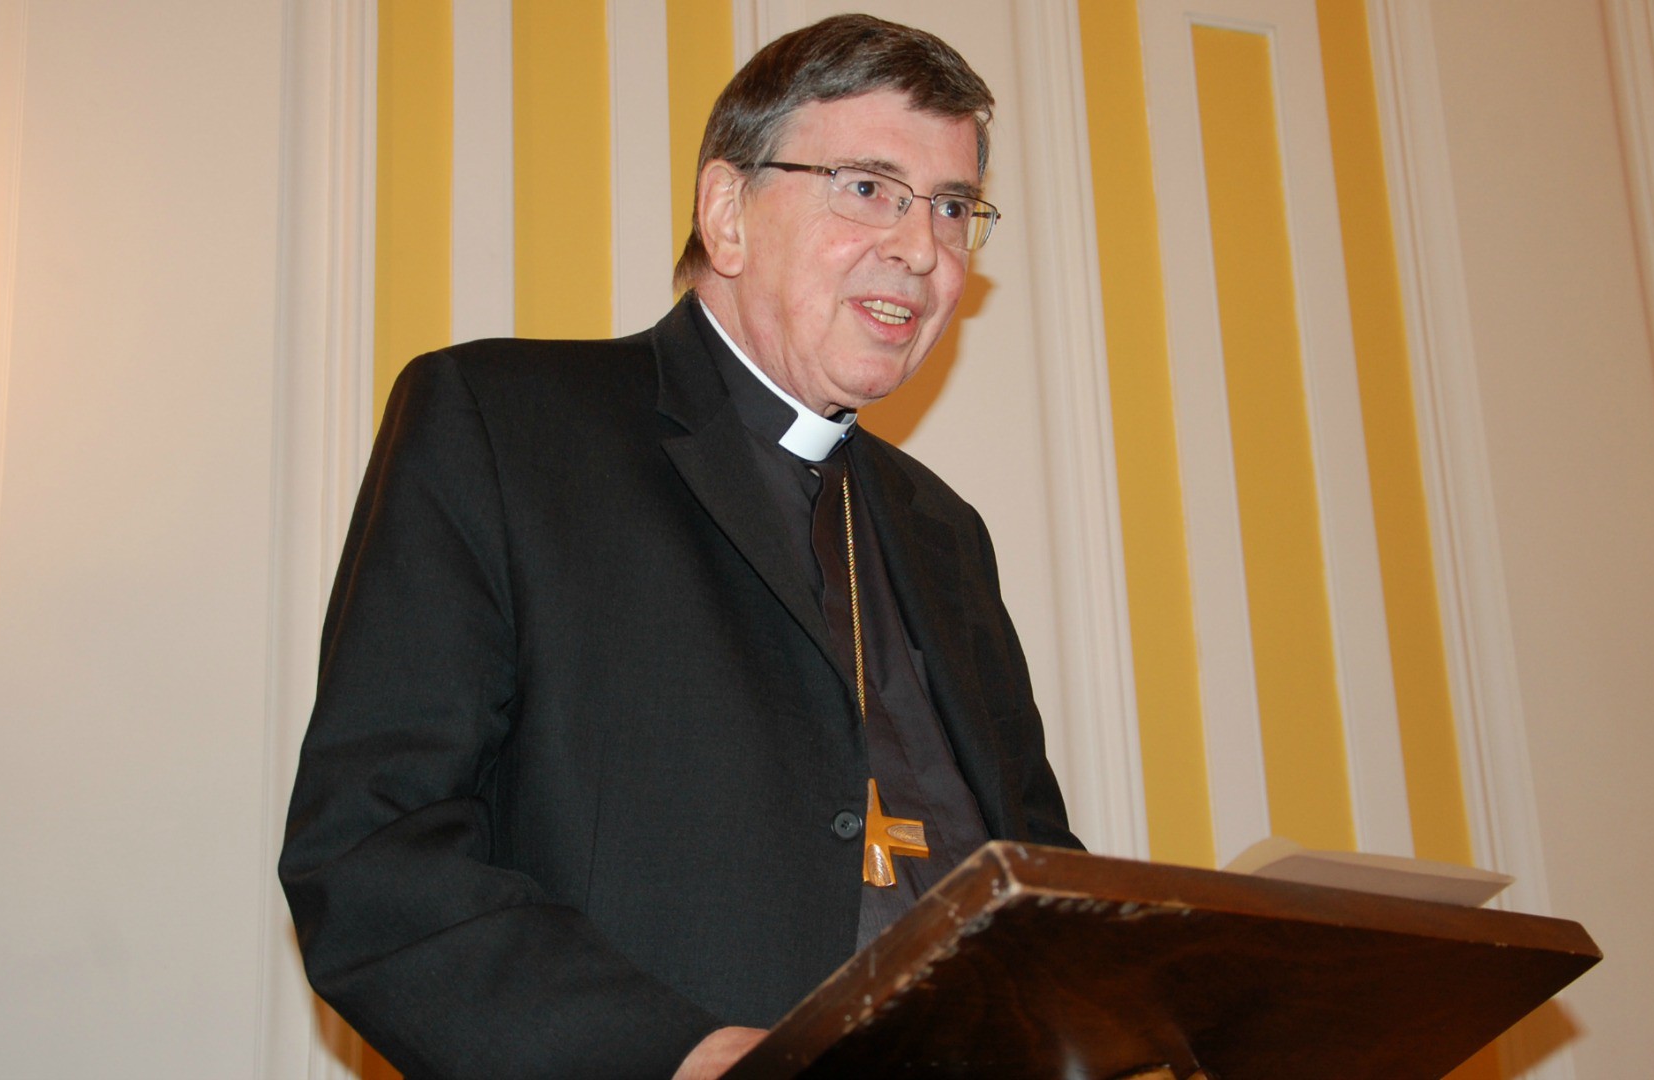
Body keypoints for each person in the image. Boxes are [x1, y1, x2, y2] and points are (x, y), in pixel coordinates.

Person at [279, 14, 1080, 1080]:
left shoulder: (944, 532)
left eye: (950, 206)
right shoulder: (505, 424)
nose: (924, 249)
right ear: (728, 213)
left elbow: (1037, 876)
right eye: (869, 188)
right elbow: (373, 855)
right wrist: (682, 1059)